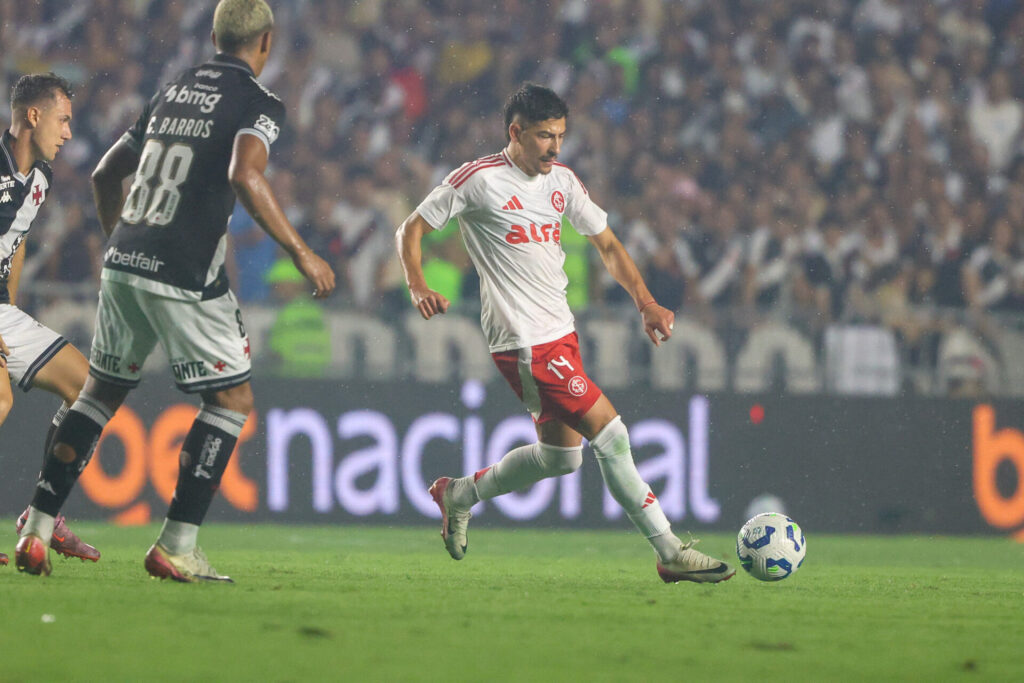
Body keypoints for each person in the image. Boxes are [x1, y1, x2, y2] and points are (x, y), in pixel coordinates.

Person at [14, 0, 335, 580]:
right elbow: (245, 172)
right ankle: (176, 545)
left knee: (98, 393)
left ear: (214, 36)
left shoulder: (175, 89)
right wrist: (302, 252)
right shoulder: (259, 103)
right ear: (265, 42)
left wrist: (123, 245)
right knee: (231, 402)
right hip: (183, 269)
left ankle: (36, 528)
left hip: (125, 257)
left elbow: (105, 173)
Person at [396, 83, 735, 584]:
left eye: (560, 135)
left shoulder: (564, 182)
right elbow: (411, 229)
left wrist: (645, 302)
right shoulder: (478, 181)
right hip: (523, 341)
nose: (554, 147)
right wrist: (418, 284)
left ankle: (459, 494)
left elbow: (608, 245)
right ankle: (668, 550)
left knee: (561, 458)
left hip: (561, 334)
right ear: (515, 133)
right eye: (543, 137)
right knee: (611, 434)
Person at [1, 73, 101, 568]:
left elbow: (15, 243)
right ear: (32, 116)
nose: (67, 133)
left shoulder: (39, 180)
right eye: (62, 120)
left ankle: (40, 516)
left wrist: (10, 314)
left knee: (90, 390)